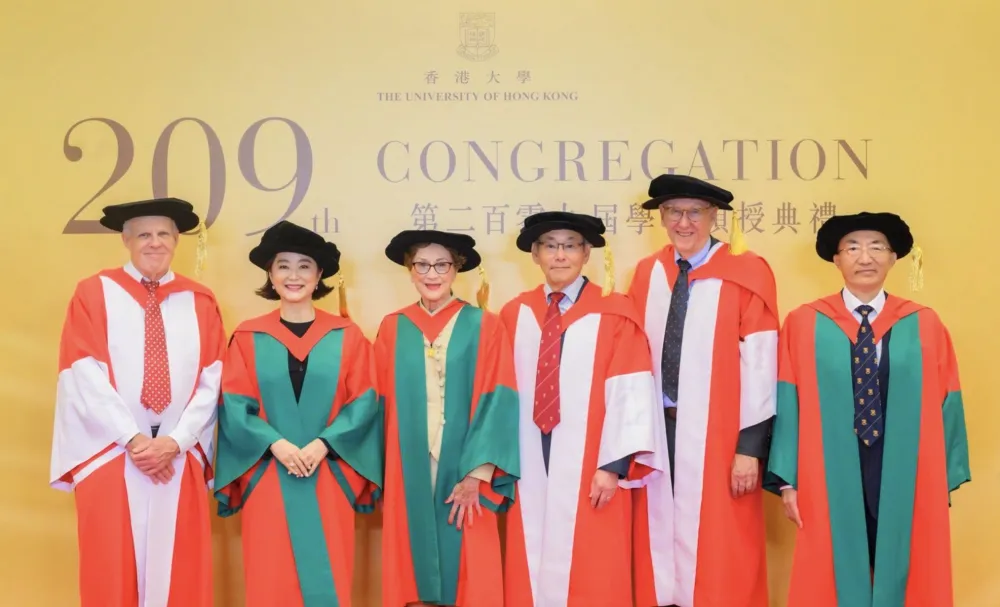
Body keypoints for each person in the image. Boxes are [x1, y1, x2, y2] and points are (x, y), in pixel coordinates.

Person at [765, 211, 970, 606]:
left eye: (877, 247)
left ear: (893, 258)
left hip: (905, 465)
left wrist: (938, 475)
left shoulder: (924, 323)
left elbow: (949, 401)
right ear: (836, 259)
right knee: (830, 566)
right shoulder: (804, 323)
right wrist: (788, 480)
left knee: (909, 561)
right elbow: (787, 401)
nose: (865, 258)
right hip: (826, 466)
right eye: (853, 248)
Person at [49, 198, 224, 607]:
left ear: (177, 240)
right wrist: (133, 439)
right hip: (111, 453)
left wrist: (175, 442)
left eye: (163, 234)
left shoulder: (200, 300)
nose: (154, 243)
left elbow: (214, 379)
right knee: (111, 568)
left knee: (180, 569)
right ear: (126, 240)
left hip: (179, 456)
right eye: (143, 234)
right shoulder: (94, 293)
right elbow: (81, 372)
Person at [499, 211, 666, 607]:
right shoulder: (514, 314)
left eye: (570, 246)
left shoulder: (616, 312)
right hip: (530, 459)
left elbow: (631, 392)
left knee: (595, 566)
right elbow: (499, 393)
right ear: (535, 254)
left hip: (594, 461)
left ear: (587, 252)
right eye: (550, 246)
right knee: (532, 556)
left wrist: (612, 466)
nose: (560, 255)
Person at [626, 174, 778, 607]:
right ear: (661, 217)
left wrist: (749, 448)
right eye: (674, 212)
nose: (684, 222)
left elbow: (762, 363)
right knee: (659, 537)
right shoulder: (647, 274)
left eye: (695, 212)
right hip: (658, 431)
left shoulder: (747, 272)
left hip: (722, 434)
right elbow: (630, 359)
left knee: (721, 542)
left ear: (714, 216)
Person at [214, 220, 383, 607]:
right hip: (267, 473)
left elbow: (364, 400)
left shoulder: (347, 336)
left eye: (304, 266)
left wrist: (323, 445)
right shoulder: (248, 336)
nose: (294, 275)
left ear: (319, 274)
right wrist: (276, 445)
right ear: (270, 274)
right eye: (283, 265)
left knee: (328, 574)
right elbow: (234, 403)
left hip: (329, 472)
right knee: (270, 576)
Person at [375, 229, 519, 607]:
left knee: (468, 560)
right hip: (409, 468)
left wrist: (477, 474)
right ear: (409, 270)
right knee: (413, 563)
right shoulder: (393, 327)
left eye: (442, 265)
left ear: (457, 269)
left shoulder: (484, 325)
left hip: (466, 467)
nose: (432, 274)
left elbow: (499, 400)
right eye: (421, 264)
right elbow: (379, 405)